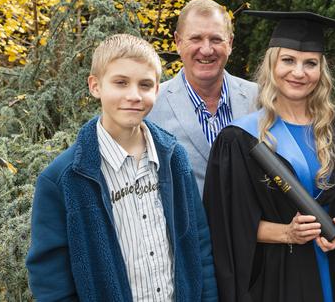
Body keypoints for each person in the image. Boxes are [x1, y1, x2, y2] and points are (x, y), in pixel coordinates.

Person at [203, 11, 335, 302]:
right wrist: (288, 233)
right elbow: (227, 222)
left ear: (321, 71)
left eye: (310, 63)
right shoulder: (241, 138)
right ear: (272, 64)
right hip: (276, 279)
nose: (298, 72)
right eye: (288, 60)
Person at [25, 34, 217, 301]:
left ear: (157, 90)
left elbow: (199, 243)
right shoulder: (63, 178)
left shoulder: (174, 159)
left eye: (145, 85)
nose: (134, 95)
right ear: (95, 86)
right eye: (121, 83)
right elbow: (50, 279)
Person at [147, 0, 258, 197]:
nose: (206, 50)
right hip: (186, 228)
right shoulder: (151, 106)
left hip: (253, 227)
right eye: (196, 39)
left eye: (216, 39)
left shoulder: (260, 99)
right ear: (178, 42)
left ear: (230, 43)